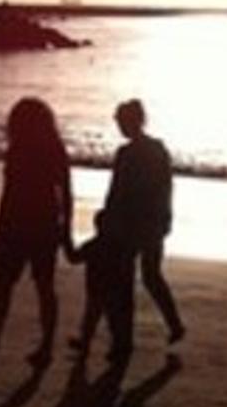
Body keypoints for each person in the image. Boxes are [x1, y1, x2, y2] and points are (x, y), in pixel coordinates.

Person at [0, 97, 73, 365]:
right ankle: (45, 345)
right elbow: (66, 192)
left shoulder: (19, 150)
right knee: (43, 286)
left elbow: (9, 195)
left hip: (19, 222)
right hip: (45, 223)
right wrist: (67, 229)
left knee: (6, 283)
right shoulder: (54, 147)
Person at [102, 99, 185, 355]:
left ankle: (123, 341)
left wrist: (108, 219)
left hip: (130, 224)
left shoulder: (126, 154)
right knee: (151, 275)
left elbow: (115, 193)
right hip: (151, 222)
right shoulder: (157, 149)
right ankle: (173, 324)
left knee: (127, 282)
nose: (119, 126)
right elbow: (167, 187)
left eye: (121, 121)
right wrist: (166, 217)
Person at [66, 210, 133, 360]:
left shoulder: (92, 245)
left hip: (96, 288)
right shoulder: (118, 247)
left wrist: (66, 241)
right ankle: (116, 347)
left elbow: (74, 258)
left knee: (92, 318)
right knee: (111, 320)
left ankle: (87, 344)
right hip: (112, 289)